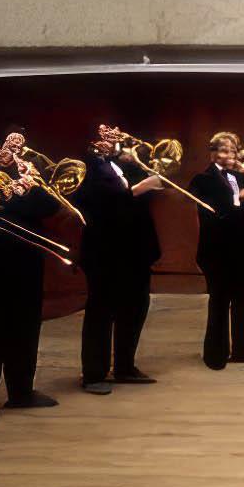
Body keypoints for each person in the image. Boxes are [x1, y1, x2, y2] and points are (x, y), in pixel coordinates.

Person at [0, 129, 63, 420]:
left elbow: (52, 207)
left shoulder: (31, 175)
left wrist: (32, 182)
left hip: (28, 260)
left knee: (27, 326)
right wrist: (20, 188)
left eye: (20, 145)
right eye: (11, 144)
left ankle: (21, 392)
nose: (16, 149)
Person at [76, 126, 165, 394]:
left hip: (135, 249)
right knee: (101, 312)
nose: (118, 142)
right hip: (106, 250)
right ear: (95, 143)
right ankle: (93, 374)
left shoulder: (125, 164)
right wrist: (141, 188)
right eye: (109, 139)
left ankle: (125, 366)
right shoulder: (89, 168)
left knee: (135, 308)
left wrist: (140, 169)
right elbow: (101, 201)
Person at [189, 134, 244, 370]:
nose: (231, 156)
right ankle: (215, 354)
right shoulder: (202, 179)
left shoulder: (241, 175)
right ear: (213, 153)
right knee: (219, 301)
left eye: (234, 151)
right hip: (218, 249)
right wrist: (240, 196)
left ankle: (242, 349)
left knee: (243, 300)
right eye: (225, 151)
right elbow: (213, 212)